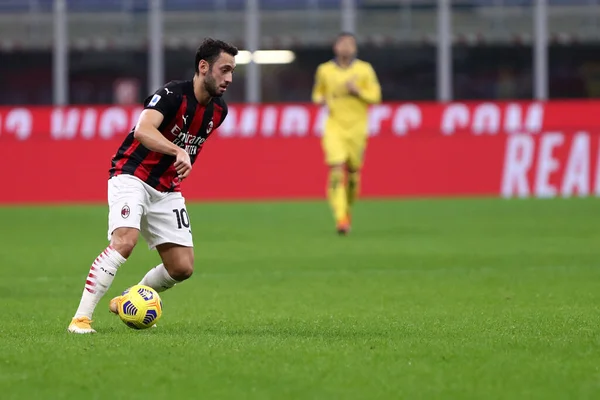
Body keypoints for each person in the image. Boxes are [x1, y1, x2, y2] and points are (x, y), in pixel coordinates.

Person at [67, 38, 238, 334]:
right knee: (125, 241)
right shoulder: (172, 94)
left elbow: (188, 145)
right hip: (132, 174)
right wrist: (178, 152)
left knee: (182, 268)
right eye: (224, 70)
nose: (229, 78)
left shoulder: (218, 112)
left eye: (232, 71)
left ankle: (127, 299)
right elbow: (143, 131)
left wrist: (182, 159)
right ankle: (80, 319)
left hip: (166, 189)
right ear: (203, 67)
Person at [311, 32, 382, 235]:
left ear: (355, 48)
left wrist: (357, 90)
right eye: (342, 44)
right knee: (336, 168)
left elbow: (376, 97)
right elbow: (317, 93)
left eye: (349, 44)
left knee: (352, 173)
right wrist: (320, 99)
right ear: (335, 47)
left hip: (358, 128)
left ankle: (347, 209)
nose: (346, 48)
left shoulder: (364, 70)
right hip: (334, 126)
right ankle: (341, 218)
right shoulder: (325, 70)